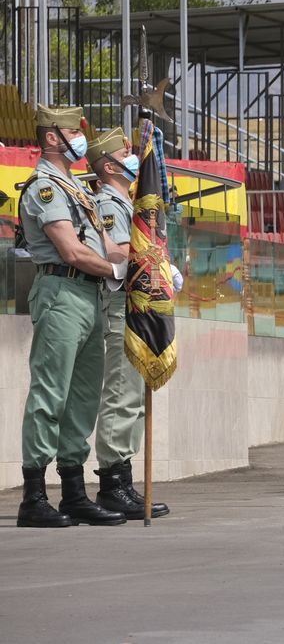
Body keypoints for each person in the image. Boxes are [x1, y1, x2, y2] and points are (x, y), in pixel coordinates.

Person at [16, 106, 129, 528]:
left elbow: (107, 248)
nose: (79, 138)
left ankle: (74, 492)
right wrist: (121, 270)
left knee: (82, 398)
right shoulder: (45, 187)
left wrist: (143, 261)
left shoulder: (79, 191)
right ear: (51, 139)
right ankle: (33, 496)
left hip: (89, 295)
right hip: (61, 290)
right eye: (71, 131)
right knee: (50, 395)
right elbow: (72, 251)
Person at [88, 128, 171, 518]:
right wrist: (155, 261)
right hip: (123, 307)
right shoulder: (108, 202)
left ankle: (126, 478)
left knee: (136, 397)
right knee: (122, 394)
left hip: (137, 308)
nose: (133, 156)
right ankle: (111, 482)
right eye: (126, 152)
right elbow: (119, 250)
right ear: (109, 165)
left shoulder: (129, 202)